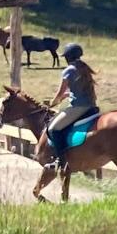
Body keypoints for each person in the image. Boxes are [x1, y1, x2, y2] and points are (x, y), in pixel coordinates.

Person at [44, 43, 98, 172]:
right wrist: (68, 95)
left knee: (53, 129)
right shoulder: (84, 68)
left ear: (67, 57)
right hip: (91, 106)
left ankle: (60, 161)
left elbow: (60, 92)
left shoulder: (69, 70)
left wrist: (52, 103)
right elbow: (79, 90)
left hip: (78, 107)